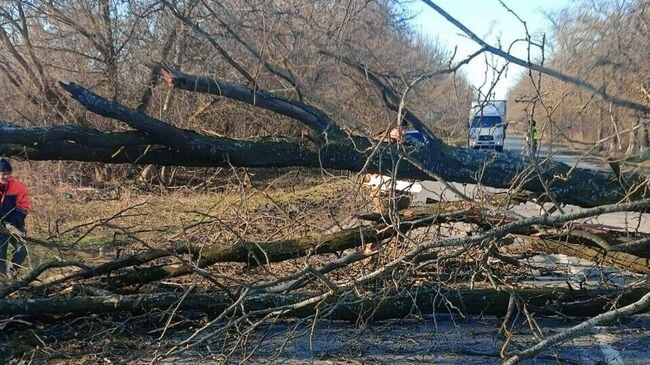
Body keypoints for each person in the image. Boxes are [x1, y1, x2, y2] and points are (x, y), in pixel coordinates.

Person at [0, 159, 31, 279]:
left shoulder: (18, 187)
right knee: (0, 253)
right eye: (3, 173)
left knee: (22, 250)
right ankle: (2, 279)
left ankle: (12, 272)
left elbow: (24, 205)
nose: (6, 176)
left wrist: (16, 219)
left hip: (15, 224)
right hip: (0, 225)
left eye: (8, 173)